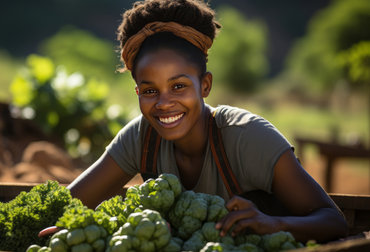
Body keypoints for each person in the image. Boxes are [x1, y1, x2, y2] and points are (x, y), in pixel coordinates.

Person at [67, 0, 347, 243]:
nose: (164, 103)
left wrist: (274, 224)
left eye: (178, 87)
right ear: (138, 92)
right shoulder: (141, 139)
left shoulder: (247, 137)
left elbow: (333, 221)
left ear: (205, 86)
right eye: (150, 91)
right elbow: (70, 203)